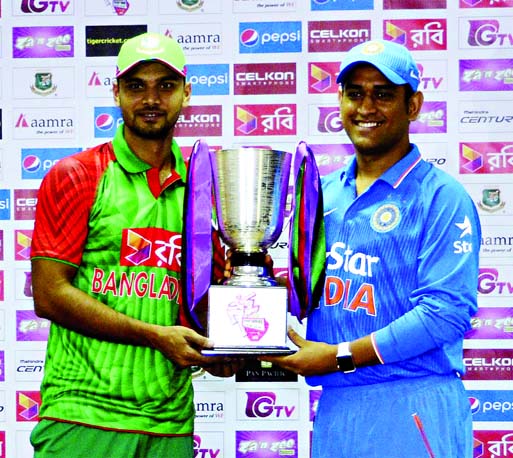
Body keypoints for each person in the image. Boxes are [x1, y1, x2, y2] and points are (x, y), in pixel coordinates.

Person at [261, 40, 481, 458]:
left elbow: (445, 314)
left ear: (413, 105)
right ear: (340, 100)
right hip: (338, 408)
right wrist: (262, 281)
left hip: (413, 405)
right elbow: (319, 288)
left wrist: (339, 357)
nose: (367, 107)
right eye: (355, 93)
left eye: (383, 94)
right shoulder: (324, 195)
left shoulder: (441, 197)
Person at [30, 32, 234, 458]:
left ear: (186, 93)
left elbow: (204, 299)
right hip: (83, 413)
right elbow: (50, 295)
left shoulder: (206, 188)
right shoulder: (78, 175)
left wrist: (230, 340)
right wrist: (154, 336)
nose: (151, 99)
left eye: (166, 85)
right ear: (116, 91)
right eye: (137, 86)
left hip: (169, 421)